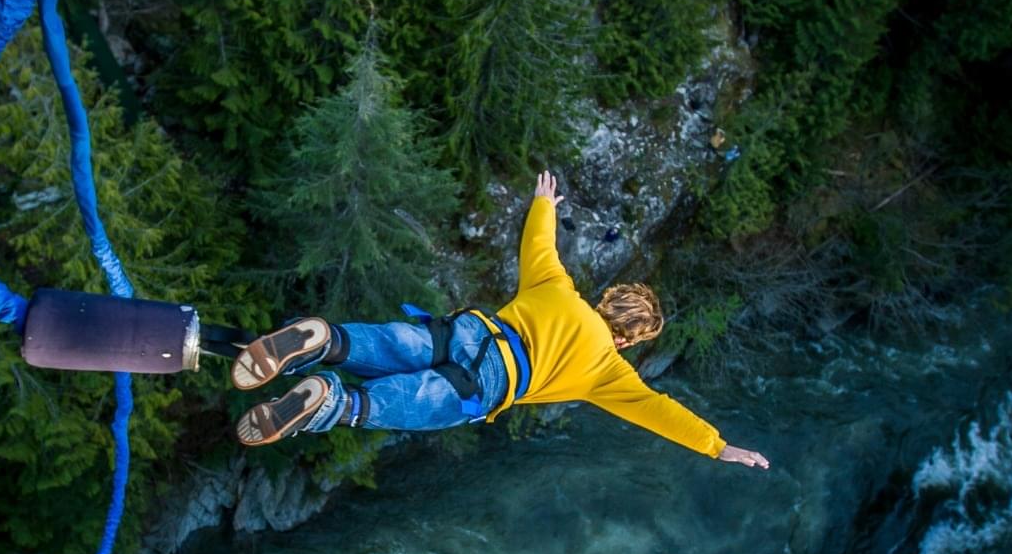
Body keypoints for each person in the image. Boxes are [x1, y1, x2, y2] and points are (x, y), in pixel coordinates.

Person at [231, 171, 770, 470]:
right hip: (490, 383)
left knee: (397, 343)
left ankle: (324, 339)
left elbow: (539, 243)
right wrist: (717, 445)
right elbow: (659, 412)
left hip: (471, 331)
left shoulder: (557, 287)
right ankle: (330, 400)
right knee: (392, 404)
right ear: (628, 339)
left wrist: (544, 203)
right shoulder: (609, 371)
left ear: (607, 300)